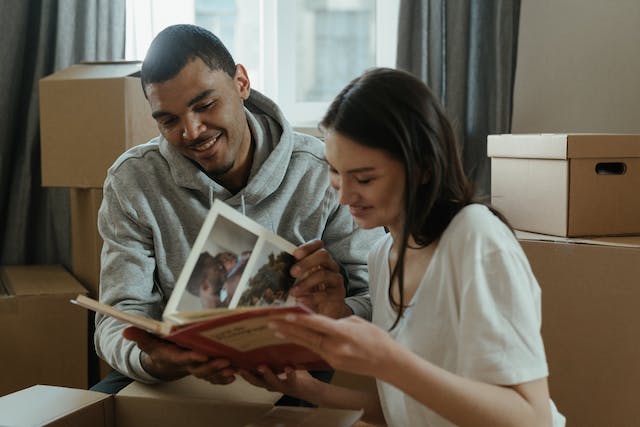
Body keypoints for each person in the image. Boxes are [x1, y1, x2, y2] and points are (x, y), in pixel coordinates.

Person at [240, 68, 566, 426]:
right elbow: (405, 410)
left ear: (422, 168)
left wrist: (387, 360)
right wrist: (305, 388)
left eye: (364, 178)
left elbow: (531, 419)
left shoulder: (475, 237)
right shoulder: (383, 256)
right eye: (335, 172)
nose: (345, 195)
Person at [91, 24, 383, 394]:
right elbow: (117, 317)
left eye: (205, 105)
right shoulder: (132, 180)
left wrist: (338, 314)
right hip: (176, 373)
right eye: (169, 120)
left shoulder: (323, 171)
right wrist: (153, 360)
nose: (192, 131)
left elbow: (380, 299)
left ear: (241, 83)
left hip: (294, 372)